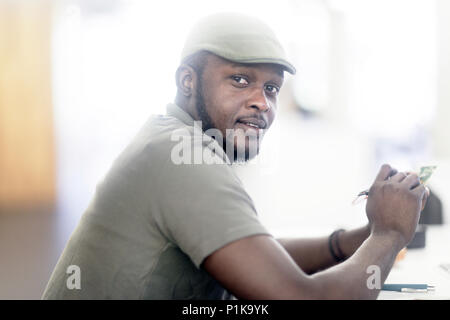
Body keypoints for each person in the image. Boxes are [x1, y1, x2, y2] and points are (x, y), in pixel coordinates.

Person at [42, 12, 429, 300]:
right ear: (187, 81)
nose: (262, 102)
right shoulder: (183, 160)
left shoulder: (174, 140)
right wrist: (389, 234)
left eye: (272, 89)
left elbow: (252, 252)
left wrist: (350, 242)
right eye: (240, 80)